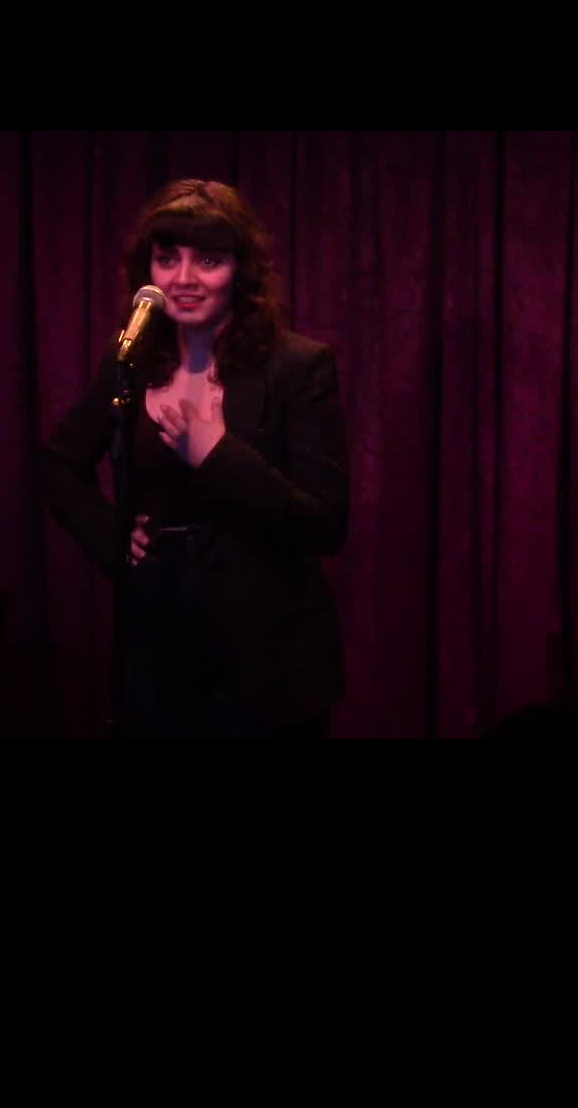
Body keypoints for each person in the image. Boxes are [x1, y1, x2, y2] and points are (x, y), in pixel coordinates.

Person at [40, 178, 349, 739]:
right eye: (167, 259)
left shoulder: (298, 367)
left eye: (207, 260)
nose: (183, 279)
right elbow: (60, 465)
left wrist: (217, 454)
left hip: (269, 665)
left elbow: (325, 522)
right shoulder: (131, 359)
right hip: (161, 655)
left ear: (241, 271)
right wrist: (114, 538)